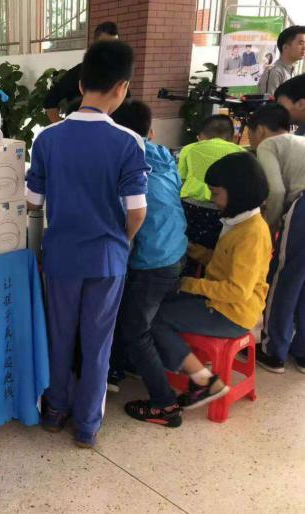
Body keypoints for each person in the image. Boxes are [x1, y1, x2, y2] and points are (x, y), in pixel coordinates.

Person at [26, 41, 148, 448]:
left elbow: (33, 202)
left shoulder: (47, 138)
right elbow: (137, 212)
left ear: (80, 84)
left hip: (60, 256)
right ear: (122, 88)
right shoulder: (129, 142)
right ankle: (87, 426)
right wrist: (120, 241)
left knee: (59, 336)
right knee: (98, 344)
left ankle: (54, 410)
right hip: (107, 259)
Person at [125, 152, 272, 427]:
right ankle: (183, 370)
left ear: (238, 193)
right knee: (160, 310)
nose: (214, 200)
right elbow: (222, 263)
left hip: (231, 313)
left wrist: (188, 284)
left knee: (154, 319)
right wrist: (191, 249)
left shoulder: (252, 233)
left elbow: (237, 290)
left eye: (216, 193)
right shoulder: (240, 223)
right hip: (222, 304)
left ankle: (202, 382)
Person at [107, 100, 188, 392]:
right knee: (130, 312)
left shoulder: (125, 163)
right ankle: (124, 367)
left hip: (153, 261)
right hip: (177, 251)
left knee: (135, 328)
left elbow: (130, 215)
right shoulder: (164, 156)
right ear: (150, 132)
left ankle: (163, 401)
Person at [247, 104, 305, 374]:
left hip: (303, 208)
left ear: (259, 130)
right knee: (302, 280)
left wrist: (268, 229)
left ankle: (273, 352)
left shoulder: (269, 145)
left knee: (284, 279)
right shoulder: (299, 141)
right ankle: (301, 353)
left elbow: (277, 191)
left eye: (250, 135)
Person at [178, 114, 244, 251]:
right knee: (216, 247)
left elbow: (181, 180)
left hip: (191, 206)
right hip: (223, 209)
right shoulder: (241, 152)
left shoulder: (189, 149)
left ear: (201, 135)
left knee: (189, 245)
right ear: (232, 136)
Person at [43, 21, 121, 124]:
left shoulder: (119, 74)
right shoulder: (80, 72)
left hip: (111, 131)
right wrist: (63, 128)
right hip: (80, 130)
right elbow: (50, 101)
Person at [258, 26, 305, 96]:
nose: (304, 47)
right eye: (301, 43)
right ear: (285, 47)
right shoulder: (274, 72)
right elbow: (268, 102)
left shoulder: (292, 71)